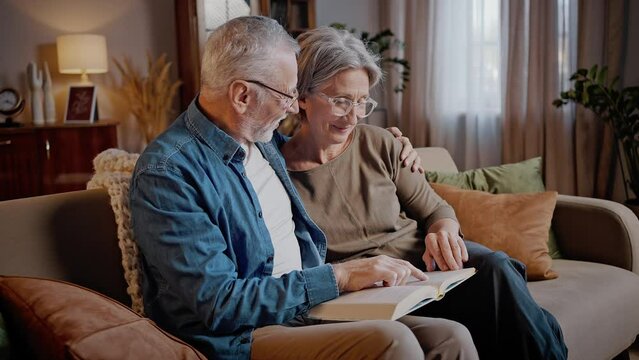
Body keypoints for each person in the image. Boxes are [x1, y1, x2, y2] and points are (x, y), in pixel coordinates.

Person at [130, 16, 477, 360]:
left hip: (309, 309)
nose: (295, 106)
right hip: (242, 335)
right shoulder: (168, 173)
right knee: (392, 341)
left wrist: (397, 145)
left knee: (450, 337)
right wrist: (338, 276)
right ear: (241, 95)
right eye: (288, 93)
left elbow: (324, 151)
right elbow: (220, 304)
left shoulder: (263, 140)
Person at [279, 26, 568, 360]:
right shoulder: (276, 176)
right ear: (301, 96)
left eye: (362, 102)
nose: (353, 116)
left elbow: (435, 209)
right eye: (341, 101)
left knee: (497, 267)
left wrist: (443, 229)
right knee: (514, 315)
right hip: (373, 290)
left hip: (428, 269)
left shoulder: (381, 143)